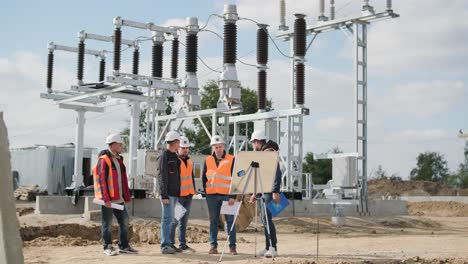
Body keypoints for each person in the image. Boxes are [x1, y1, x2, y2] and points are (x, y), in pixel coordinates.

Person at [93, 133, 138, 256]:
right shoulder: (104, 160)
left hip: (118, 198)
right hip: (108, 199)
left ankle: (123, 246)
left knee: (124, 221)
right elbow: (102, 180)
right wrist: (106, 199)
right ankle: (107, 247)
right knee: (106, 224)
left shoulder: (119, 159)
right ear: (113, 145)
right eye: (119, 144)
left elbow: (121, 180)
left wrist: (126, 196)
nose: (121, 146)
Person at [202, 135, 237, 255]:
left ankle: (232, 247)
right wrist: (207, 194)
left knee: (230, 221)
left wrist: (233, 196)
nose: (218, 149)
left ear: (224, 146)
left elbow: (236, 179)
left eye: (220, 147)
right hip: (212, 196)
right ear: (212, 147)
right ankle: (213, 246)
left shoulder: (232, 159)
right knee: (213, 221)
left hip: (227, 196)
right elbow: (204, 178)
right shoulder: (207, 160)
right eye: (216, 147)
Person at [249, 130, 281, 258]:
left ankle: (273, 248)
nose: (252, 146)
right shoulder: (263, 153)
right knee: (265, 219)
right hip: (264, 190)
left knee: (267, 219)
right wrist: (254, 193)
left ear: (257, 142)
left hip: (269, 191)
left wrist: (275, 191)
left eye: (253, 143)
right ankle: (268, 247)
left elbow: (276, 172)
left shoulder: (269, 152)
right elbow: (261, 176)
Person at [171, 136, 196, 252]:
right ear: (178, 148)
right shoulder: (176, 161)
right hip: (179, 196)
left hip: (189, 195)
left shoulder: (190, 161)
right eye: (182, 148)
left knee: (183, 222)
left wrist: (194, 191)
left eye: (186, 148)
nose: (185, 150)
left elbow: (191, 177)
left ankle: (182, 244)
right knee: (175, 220)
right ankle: (170, 244)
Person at [158, 131, 182, 254]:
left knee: (171, 219)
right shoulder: (164, 156)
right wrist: (164, 194)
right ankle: (165, 245)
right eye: (178, 142)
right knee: (167, 219)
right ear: (175, 142)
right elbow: (162, 177)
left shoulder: (175, 156)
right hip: (168, 194)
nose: (179, 145)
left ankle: (169, 244)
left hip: (174, 193)